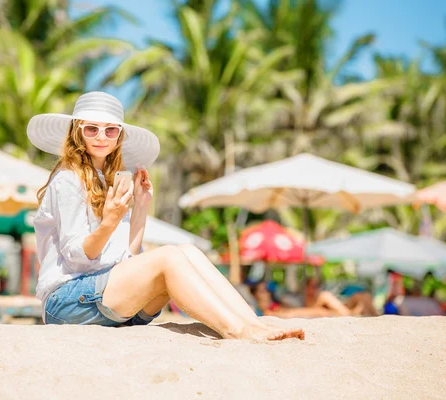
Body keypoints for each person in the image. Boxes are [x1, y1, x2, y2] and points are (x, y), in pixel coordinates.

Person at [27, 91, 304, 341]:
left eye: (110, 130)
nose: (101, 136)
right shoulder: (67, 180)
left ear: (119, 136)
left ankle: (251, 322)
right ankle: (238, 330)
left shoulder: (107, 181)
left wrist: (141, 207)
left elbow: (126, 258)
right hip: (66, 301)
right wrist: (110, 222)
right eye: (92, 129)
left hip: (103, 298)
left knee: (188, 251)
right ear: (77, 132)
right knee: (169, 256)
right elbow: (77, 257)